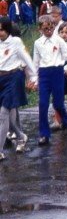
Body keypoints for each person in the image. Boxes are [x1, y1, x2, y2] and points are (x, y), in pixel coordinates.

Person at [33, 15, 67, 145]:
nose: (48, 31)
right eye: (45, 29)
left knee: (58, 104)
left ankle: (66, 122)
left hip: (57, 73)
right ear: (40, 29)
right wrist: (34, 80)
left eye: (51, 28)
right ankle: (44, 134)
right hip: (44, 74)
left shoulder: (59, 41)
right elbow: (35, 63)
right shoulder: (38, 43)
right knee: (43, 104)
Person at [0, 17, 37, 159]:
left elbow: (27, 59)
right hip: (0, 79)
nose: (0, 33)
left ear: (8, 29)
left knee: (4, 113)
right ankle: (21, 136)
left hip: (13, 78)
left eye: (2, 30)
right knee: (6, 117)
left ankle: (0, 150)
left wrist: (33, 78)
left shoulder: (15, 42)